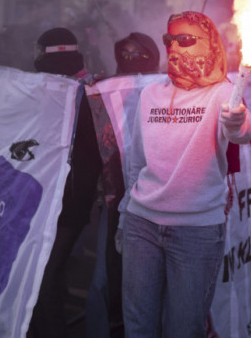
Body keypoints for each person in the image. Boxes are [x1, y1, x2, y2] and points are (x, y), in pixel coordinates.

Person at [118, 11, 251, 337]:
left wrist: (237, 122)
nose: (175, 47)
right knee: (137, 326)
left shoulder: (224, 92)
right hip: (142, 227)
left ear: (208, 43)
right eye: (170, 39)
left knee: (183, 329)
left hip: (196, 232)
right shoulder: (151, 94)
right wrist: (126, 214)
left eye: (186, 39)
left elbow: (243, 129)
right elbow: (137, 161)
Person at [28, 27, 102, 338]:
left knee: (45, 272)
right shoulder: (67, 89)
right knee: (49, 271)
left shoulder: (85, 94)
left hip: (69, 200)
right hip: (52, 196)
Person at [86, 32, 160, 338]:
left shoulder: (165, 91)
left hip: (154, 201)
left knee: (146, 281)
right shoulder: (107, 91)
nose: (129, 61)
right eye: (124, 54)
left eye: (137, 54)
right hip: (114, 198)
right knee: (103, 278)